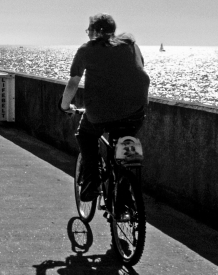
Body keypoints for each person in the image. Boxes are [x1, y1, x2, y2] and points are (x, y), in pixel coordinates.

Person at [60, 13, 150, 201]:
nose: (87, 34)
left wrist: (64, 106)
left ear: (94, 31)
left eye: (88, 30)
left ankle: (91, 181)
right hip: (137, 109)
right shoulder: (131, 44)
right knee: (126, 139)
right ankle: (127, 186)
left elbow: (73, 83)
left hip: (100, 112)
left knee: (85, 134)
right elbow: (138, 68)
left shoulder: (86, 49)